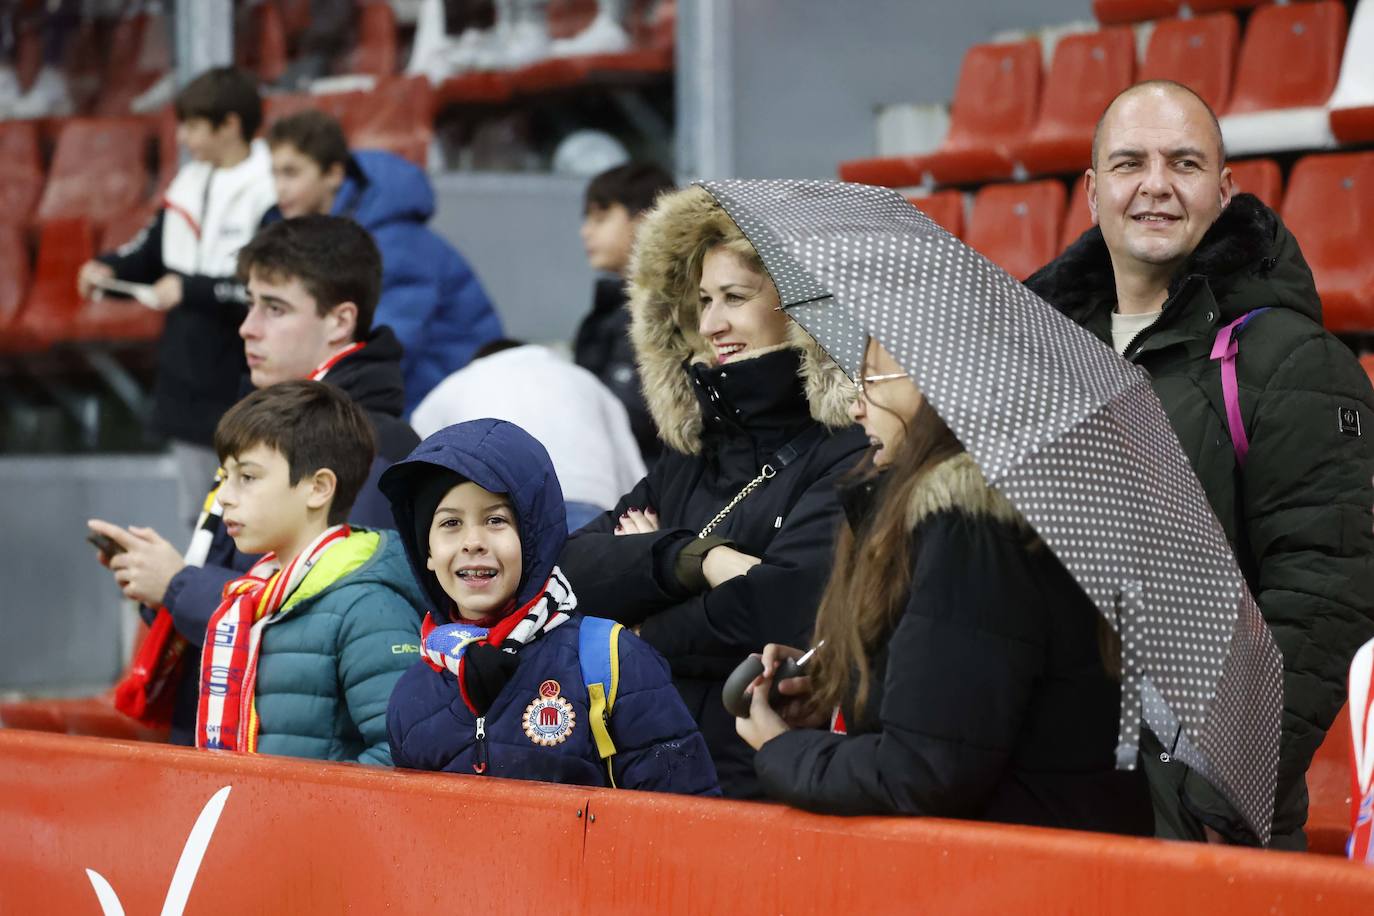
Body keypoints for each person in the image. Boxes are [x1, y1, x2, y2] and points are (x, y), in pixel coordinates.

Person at [1025, 79, 1374, 848]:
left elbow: (1325, 592)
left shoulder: (1290, 361)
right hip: (1050, 800)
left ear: (1224, 190)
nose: (1155, 185)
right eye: (1129, 163)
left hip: (1196, 820)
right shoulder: (1041, 356)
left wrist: (1218, 785)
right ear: (1090, 192)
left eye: (1184, 163)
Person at [735, 336, 1154, 834]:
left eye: (872, 378)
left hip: (1025, 870)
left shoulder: (974, 530)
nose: (856, 406)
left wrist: (782, 749)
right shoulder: (983, 513)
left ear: (942, 386)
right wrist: (840, 682)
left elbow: (922, 770)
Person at [557, 185, 869, 798]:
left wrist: (641, 628)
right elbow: (571, 568)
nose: (710, 324)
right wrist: (700, 561)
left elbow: (785, 606)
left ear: (804, 311)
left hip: (756, 783)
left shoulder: (847, 451)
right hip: (642, 768)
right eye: (702, 300)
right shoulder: (693, 452)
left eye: (735, 297)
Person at [88, 215, 419, 745]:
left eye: (275, 307)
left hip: (291, 772)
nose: (248, 326)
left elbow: (322, 617)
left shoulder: (372, 448)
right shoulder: (268, 427)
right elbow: (262, 585)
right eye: (249, 303)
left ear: (339, 322)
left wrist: (179, 586)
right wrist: (161, 585)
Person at [381, 418, 719, 795]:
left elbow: (681, 820)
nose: (472, 542)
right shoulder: (411, 693)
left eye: (495, 520)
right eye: (450, 523)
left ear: (533, 537)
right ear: (426, 551)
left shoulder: (611, 660)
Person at [77, 67, 278, 522]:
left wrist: (189, 289)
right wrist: (109, 267)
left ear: (229, 124)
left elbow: (271, 285)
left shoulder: (269, 189)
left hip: (242, 375)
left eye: (193, 125)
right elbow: (150, 249)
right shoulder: (187, 183)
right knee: (199, 517)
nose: (184, 138)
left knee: (248, 513)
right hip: (187, 375)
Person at [197, 379, 422, 764]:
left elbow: (401, 752)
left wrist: (310, 817)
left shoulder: (367, 607)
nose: (225, 498)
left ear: (318, 488)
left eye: (247, 477)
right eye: (225, 478)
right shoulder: (257, 598)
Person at [263, 109, 502, 411]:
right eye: (274, 173)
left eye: (292, 172)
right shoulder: (312, 235)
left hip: (446, 399)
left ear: (334, 175)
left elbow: (389, 347)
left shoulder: (393, 241)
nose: (279, 187)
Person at [409, 339, 646, 532]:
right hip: (589, 499)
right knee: (586, 586)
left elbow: (418, 473)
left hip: (499, 507)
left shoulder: (452, 387)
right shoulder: (585, 380)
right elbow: (633, 473)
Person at [573, 161, 676, 466]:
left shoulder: (665, 304)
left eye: (601, 218)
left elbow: (626, 415)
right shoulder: (615, 306)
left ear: (646, 221)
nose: (585, 232)